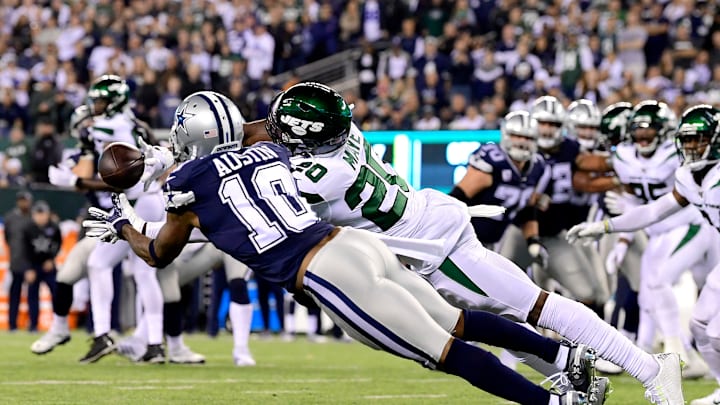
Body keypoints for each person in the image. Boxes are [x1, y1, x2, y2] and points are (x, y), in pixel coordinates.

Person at [84, 91, 600, 404]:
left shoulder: (186, 190)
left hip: (326, 274)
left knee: (440, 351)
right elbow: (252, 138)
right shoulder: (268, 150)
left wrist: (123, 223)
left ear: (192, 136)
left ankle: (555, 404)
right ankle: (563, 355)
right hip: (354, 244)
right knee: (452, 320)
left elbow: (157, 254)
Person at [567, 104, 720, 405]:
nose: (690, 146)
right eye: (686, 139)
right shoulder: (689, 177)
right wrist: (605, 226)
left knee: (715, 332)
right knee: (700, 325)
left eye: (697, 139)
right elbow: (653, 211)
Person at [20, 200, 61, 332]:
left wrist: (51, 259)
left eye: (43, 214)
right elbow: (24, 249)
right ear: (33, 215)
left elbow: (58, 244)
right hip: (34, 265)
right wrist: (28, 268)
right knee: (32, 296)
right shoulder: (27, 228)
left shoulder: (54, 227)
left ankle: (59, 324)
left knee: (57, 293)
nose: (41, 217)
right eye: (38, 214)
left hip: (48, 266)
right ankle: (33, 325)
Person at [4, 191, 33, 331]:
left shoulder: (33, 217)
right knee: (14, 294)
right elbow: (7, 238)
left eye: (25, 200)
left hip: (32, 263)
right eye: (21, 200)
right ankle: (12, 324)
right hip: (16, 262)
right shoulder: (10, 218)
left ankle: (33, 325)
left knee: (32, 294)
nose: (24, 203)